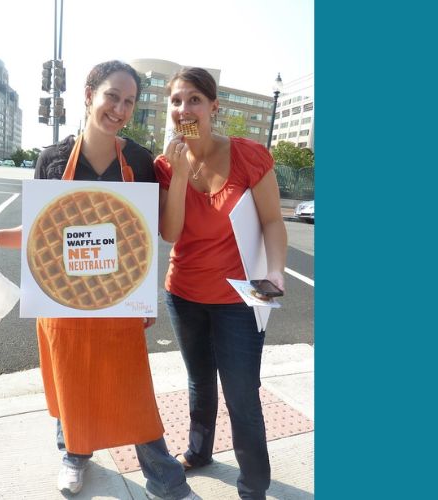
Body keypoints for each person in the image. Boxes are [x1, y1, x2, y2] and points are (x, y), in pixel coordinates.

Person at [0, 60, 200, 500]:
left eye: (129, 101)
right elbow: (40, 233)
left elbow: (156, 234)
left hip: (118, 298)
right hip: (60, 301)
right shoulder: (52, 160)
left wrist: (142, 299)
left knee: (131, 392)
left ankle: (163, 476)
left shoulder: (140, 161)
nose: (120, 108)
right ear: (89, 95)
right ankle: (73, 454)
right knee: (69, 381)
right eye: (112, 96)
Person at [155, 67, 288, 500]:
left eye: (194, 99)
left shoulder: (249, 155)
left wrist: (275, 272)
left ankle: (253, 486)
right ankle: (199, 450)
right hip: (183, 293)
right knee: (199, 380)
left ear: (214, 107)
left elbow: (272, 220)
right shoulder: (165, 165)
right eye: (176, 101)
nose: (184, 108)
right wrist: (176, 173)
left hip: (238, 297)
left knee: (242, 391)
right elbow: (170, 233)